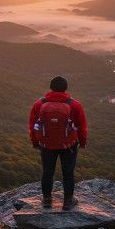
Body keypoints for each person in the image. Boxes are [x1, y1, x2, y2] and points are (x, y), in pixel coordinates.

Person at [29, 75, 88, 211]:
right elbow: (82, 126)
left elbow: (33, 126)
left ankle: (47, 201)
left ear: (51, 87)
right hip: (69, 145)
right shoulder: (74, 105)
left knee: (47, 172)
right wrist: (82, 142)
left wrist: (35, 142)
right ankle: (68, 202)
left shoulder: (39, 104)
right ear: (66, 88)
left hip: (46, 145)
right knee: (68, 172)